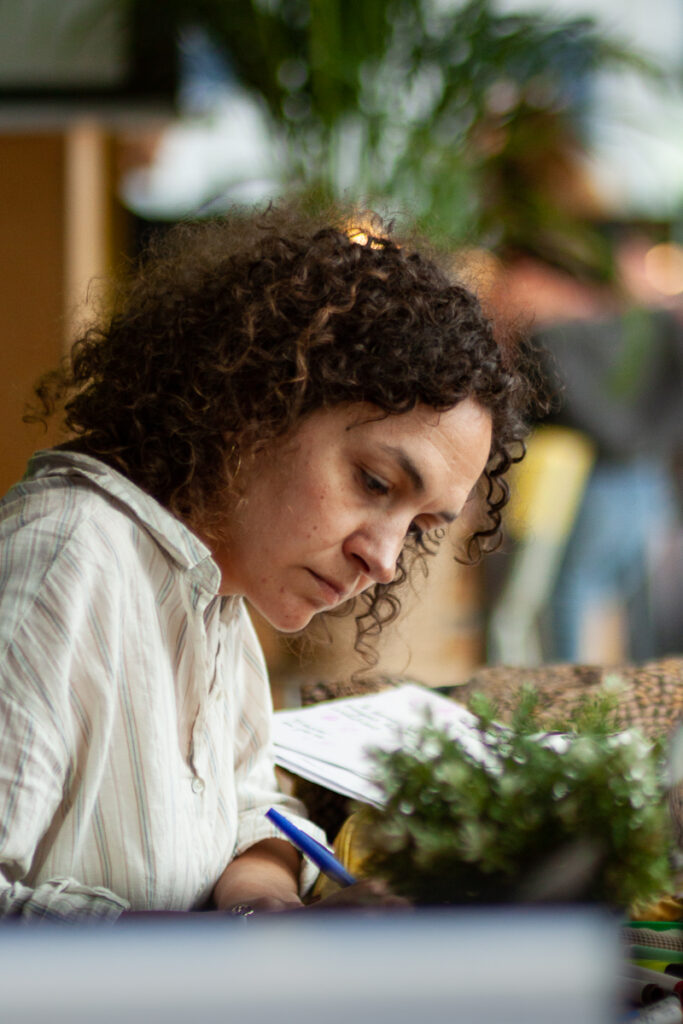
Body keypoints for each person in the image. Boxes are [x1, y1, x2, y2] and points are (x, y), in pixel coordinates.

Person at [0, 205, 534, 921]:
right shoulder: (61, 560)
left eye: (417, 528)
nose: (381, 559)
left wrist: (264, 909)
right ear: (253, 403)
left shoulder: (210, 593)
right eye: (374, 483)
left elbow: (254, 810)